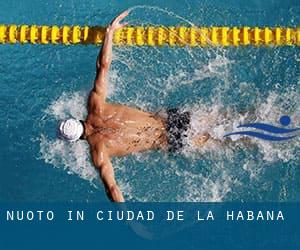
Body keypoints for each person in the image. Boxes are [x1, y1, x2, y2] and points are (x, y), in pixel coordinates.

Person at [58, 11, 210, 202]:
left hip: (171, 140)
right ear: (76, 119)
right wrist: (109, 33)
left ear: (76, 140)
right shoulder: (95, 105)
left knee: (228, 141)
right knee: (226, 118)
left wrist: (130, 222)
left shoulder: (99, 152)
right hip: (172, 118)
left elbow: (112, 189)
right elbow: (103, 66)